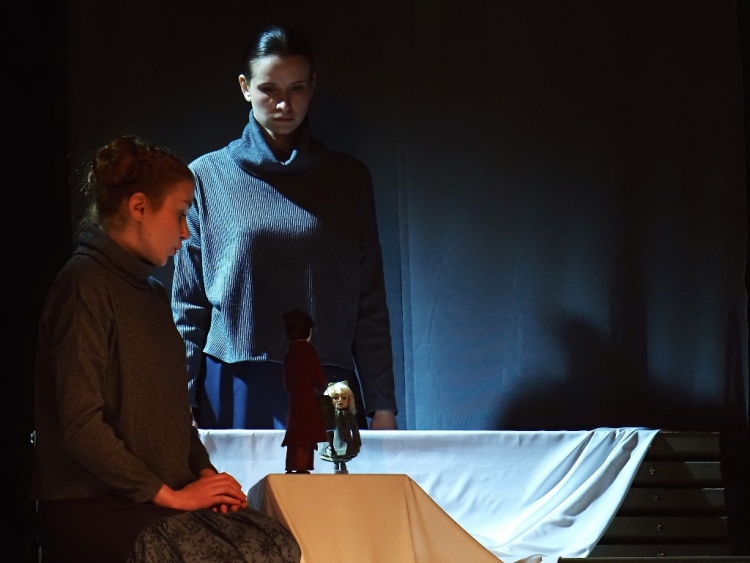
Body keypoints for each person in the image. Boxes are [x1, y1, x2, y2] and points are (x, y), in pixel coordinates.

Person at [29, 136, 301, 563]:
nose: (186, 232)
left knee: (275, 542)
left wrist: (205, 474)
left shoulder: (153, 296)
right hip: (93, 502)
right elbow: (80, 426)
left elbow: (175, 419)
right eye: (179, 214)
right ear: (139, 207)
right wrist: (171, 496)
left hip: (155, 495)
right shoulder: (84, 284)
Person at [172, 24, 398, 431]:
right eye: (269, 89)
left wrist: (382, 405)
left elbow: (369, 303)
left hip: (327, 383)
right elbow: (188, 308)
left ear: (313, 85)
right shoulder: (207, 176)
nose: (283, 104)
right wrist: (180, 401)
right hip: (235, 384)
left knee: (331, 476)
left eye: (296, 88)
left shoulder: (347, 180)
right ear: (245, 87)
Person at [280, 309, 328, 473]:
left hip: (295, 401)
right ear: (308, 331)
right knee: (306, 434)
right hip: (308, 400)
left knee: (295, 433)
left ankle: (292, 465)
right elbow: (319, 378)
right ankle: (302, 465)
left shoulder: (289, 355)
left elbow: (286, 382)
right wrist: (321, 389)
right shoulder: (309, 353)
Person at [319, 381, 362, 474]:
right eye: (335, 398)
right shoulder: (329, 416)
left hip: (346, 444)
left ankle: (343, 468)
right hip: (333, 444)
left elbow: (355, 431)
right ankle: (335, 468)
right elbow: (326, 432)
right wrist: (327, 445)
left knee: (343, 460)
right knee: (335, 459)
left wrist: (357, 443)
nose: (340, 400)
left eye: (344, 398)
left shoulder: (349, 416)